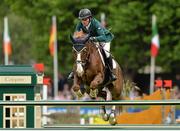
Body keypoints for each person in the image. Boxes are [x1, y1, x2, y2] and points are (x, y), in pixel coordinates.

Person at [68, 8, 116, 82]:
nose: (83, 21)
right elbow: (77, 35)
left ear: (90, 18)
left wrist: (93, 38)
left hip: (103, 39)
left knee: (106, 53)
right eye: (82, 19)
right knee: (79, 52)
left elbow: (103, 36)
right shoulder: (80, 24)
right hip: (89, 40)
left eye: (85, 19)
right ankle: (73, 71)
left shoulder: (95, 23)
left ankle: (111, 73)